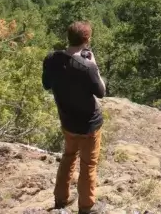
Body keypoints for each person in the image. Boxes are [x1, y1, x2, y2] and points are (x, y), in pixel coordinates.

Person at [42, 21, 107, 214]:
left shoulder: (51, 59)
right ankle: (85, 207)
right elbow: (101, 92)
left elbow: (46, 84)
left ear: (68, 37)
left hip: (67, 121)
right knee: (88, 165)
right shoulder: (87, 67)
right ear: (87, 40)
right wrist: (93, 65)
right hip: (89, 124)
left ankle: (60, 199)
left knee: (69, 156)